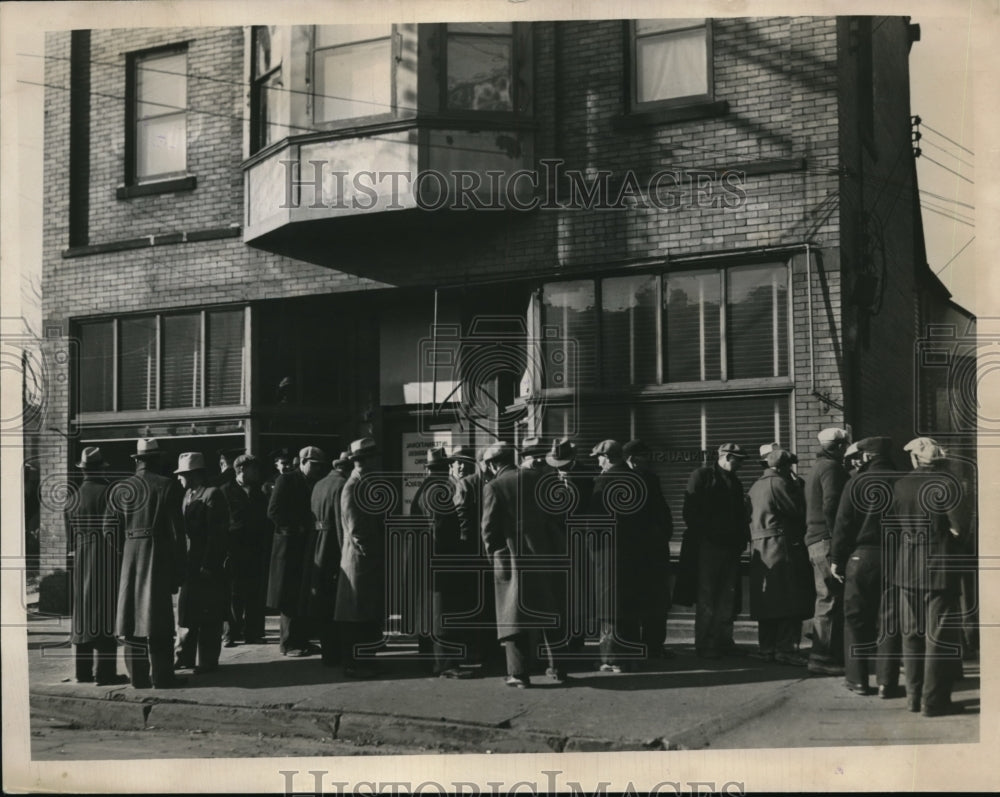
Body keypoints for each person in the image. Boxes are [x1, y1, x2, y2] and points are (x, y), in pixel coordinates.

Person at [481, 441, 565, 688]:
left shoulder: (494, 487)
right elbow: (556, 516)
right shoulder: (538, 479)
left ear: (494, 463)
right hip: (544, 555)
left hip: (512, 558)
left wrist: (494, 557)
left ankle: (518, 674)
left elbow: (488, 530)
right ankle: (557, 667)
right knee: (549, 611)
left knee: (512, 616)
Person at [894, 437, 967, 716]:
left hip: (907, 566)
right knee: (938, 637)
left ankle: (913, 698)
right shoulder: (948, 484)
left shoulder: (900, 485)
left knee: (911, 635)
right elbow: (960, 528)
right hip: (940, 565)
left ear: (914, 459)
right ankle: (933, 701)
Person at [108, 439, 186, 689]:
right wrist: (178, 571)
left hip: (130, 557)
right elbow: (176, 533)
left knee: (131, 619)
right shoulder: (167, 485)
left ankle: (138, 677)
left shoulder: (121, 488)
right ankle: (162, 676)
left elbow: (112, 532)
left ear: (137, 460)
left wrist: (122, 561)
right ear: (156, 460)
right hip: (157, 556)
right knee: (158, 618)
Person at [830, 436, 902, 697]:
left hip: (861, 557)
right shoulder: (903, 480)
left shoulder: (855, 483)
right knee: (890, 622)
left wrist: (836, 559)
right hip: (896, 557)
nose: (857, 461)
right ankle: (887, 682)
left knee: (855, 619)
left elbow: (843, 524)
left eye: (860, 456)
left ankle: (858, 680)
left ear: (869, 457)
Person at [677, 443, 750, 660]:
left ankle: (723, 641)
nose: (741, 465)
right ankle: (706, 643)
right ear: (727, 457)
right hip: (707, 546)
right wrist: (709, 534)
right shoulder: (702, 476)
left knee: (727, 596)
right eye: (738, 460)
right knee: (707, 596)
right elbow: (690, 512)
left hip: (729, 546)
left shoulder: (734, 482)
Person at [411, 446, 475, 678]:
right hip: (439, 559)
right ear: (445, 468)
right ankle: (446, 665)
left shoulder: (424, 489)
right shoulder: (438, 491)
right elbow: (439, 529)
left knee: (428, 611)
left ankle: (427, 660)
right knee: (442, 611)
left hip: (425, 559)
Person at [68, 446, 127, 685]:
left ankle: (82, 672)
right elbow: (115, 530)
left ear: (83, 471)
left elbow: (70, 536)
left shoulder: (72, 497)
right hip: (105, 560)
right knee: (104, 614)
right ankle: (105, 673)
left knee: (82, 615)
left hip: (81, 561)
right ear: (101, 468)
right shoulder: (110, 493)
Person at [748, 448, 813, 665]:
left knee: (767, 602)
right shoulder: (780, 483)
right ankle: (786, 649)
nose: (791, 470)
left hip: (761, 546)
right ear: (782, 466)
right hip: (781, 545)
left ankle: (766, 648)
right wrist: (797, 487)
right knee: (788, 598)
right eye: (788, 466)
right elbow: (797, 510)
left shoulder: (756, 485)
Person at [589, 439, 645, 673]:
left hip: (608, 552)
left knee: (609, 606)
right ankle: (631, 656)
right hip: (633, 552)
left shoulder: (604, 481)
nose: (599, 462)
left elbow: (595, 520)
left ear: (608, 458)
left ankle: (611, 659)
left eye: (600, 458)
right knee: (630, 603)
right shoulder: (637, 479)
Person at [267, 446, 327, 657]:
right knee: (289, 595)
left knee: (302, 595)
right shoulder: (286, 480)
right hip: (289, 548)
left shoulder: (316, 483)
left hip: (306, 547)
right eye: (314, 464)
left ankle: (301, 640)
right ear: (302, 462)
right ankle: (288, 643)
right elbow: (273, 512)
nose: (318, 469)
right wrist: (296, 528)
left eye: (320, 465)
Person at [335, 437, 387, 679]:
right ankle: (354, 664)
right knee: (356, 616)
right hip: (360, 561)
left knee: (365, 614)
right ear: (362, 461)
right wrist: (372, 553)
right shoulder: (353, 487)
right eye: (373, 458)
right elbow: (356, 529)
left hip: (365, 560)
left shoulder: (364, 484)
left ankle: (364, 660)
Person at [174, 452, 229, 673]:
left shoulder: (212, 495)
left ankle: (207, 660)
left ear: (194, 474)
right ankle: (184, 656)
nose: (179, 478)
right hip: (189, 563)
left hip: (206, 564)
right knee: (187, 613)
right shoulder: (187, 495)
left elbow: (217, 535)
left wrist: (209, 563)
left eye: (183, 474)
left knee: (208, 614)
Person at [804, 427, 851, 676]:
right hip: (826, 541)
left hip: (815, 540)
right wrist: (837, 541)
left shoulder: (816, 467)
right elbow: (832, 504)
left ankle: (824, 654)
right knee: (830, 599)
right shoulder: (831, 469)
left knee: (825, 598)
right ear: (839, 446)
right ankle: (822, 657)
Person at [623, 439, 674, 661]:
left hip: (638, 553)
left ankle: (644, 647)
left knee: (642, 601)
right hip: (647, 552)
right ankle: (652, 646)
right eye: (645, 457)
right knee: (652, 602)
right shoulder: (644, 479)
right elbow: (662, 515)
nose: (649, 461)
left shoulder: (642, 479)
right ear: (633, 459)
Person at [453, 445, 501, 670]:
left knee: (486, 604)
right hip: (478, 555)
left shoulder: (488, 482)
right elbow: (462, 520)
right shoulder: (470, 484)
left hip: (483, 554)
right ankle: (480, 650)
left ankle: (486, 650)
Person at [545, 438, 593, 656]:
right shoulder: (547, 475)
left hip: (578, 541)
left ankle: (577, 637)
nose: (560, 469)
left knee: (579, 591)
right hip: (555, 542)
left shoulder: (585, 474)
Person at [219, 454, 270, 646]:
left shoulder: (259, 493)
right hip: (234, 551)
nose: (256, 472)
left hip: (255, 551)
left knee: (254, 594)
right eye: (253, 469)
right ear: (241, 470)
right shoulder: (225, 491)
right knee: (234, 594)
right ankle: (230, 633)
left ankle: (253, 632)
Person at [308, 452, 347, 667]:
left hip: (317, 546)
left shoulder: (319, 484)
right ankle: (336, 652)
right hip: (333, 548)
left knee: (323, 601)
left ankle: (327, 651)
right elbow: (341, 525)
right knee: (336, 602)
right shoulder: (342, 485)